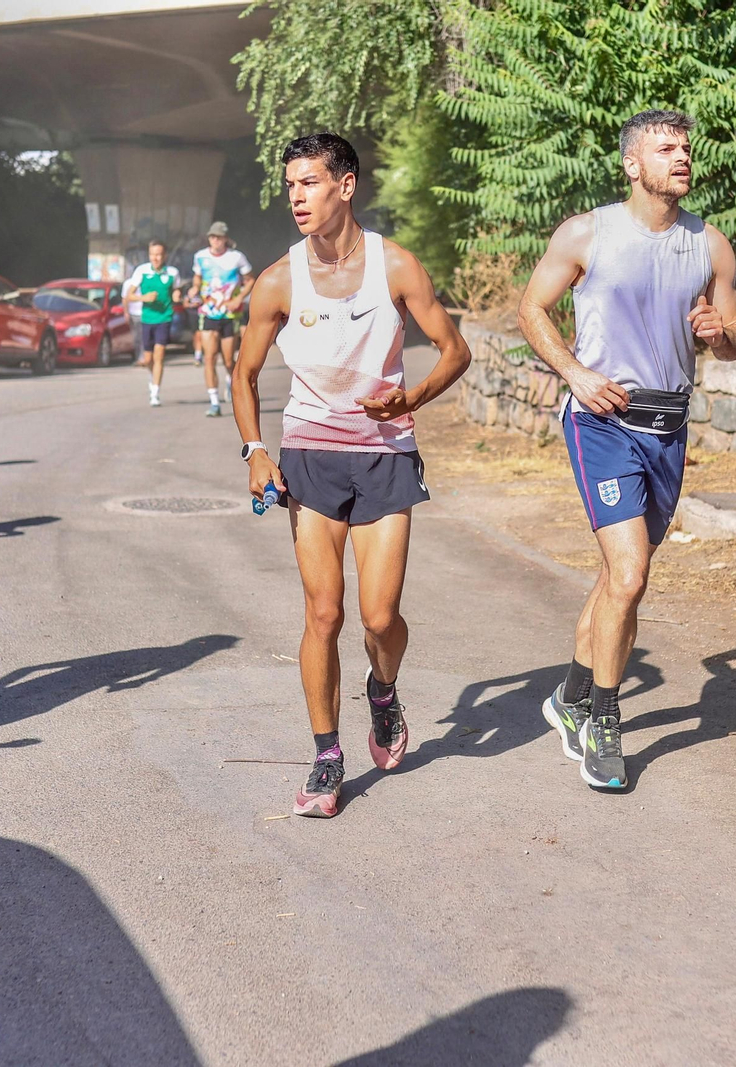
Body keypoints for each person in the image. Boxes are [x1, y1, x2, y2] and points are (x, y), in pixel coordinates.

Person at [232, 132, 471, 818]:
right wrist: (255, 450)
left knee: (380, 616)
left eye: (309, 182)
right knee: (324, 611)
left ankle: (383, 691)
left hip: (385, 453)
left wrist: (411, 397)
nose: (296, 197)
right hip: (310, 454)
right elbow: (244, 373)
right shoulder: (278, 280)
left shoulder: (394, 266)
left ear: (345, 185)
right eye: (290, 185)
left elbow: (455, 351)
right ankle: (327, 755)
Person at [519, 109, 736, 791]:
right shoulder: (587, 233)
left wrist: (720, 333)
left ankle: (570, 697)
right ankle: (605, 721)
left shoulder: (710, 245)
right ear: (631, 164)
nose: (681, 157)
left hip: (667, 429)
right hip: (603, 420)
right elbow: (532, 309)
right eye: (665, 147)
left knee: (618, 577)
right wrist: (575, 374)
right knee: (629, 575)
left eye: (686, 147)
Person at [190, 221, 254, 417]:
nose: (215, 240)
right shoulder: (200, 256)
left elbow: (250, 280)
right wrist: (194, 288)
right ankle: (214, 402)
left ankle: (230, 381)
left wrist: (238, 299)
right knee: (209, 357)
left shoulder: (236, 257)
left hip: (229, 314)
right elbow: (197, 278)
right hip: (208, 312)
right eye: (212, 237)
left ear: (225, 239)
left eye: (218, 237)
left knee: (228, 360)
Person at [122, 240, 182, 407]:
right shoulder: (142, 271)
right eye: (152, 254)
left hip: (164, 318)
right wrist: (144, 298)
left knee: (159, 355)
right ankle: (152, 375)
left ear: (165, 256)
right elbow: (129, 295)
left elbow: (176, 289)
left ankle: (155, 392)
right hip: (147, 319)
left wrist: (177, 295)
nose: (156, 258)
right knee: (148, 359)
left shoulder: (172, 273)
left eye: (159, 255)